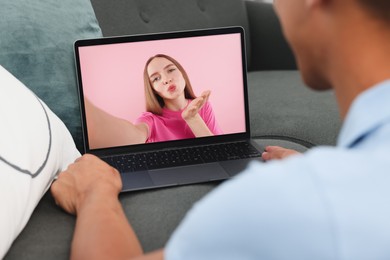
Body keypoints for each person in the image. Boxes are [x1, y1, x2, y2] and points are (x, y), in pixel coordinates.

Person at [51, 0, 390, 259]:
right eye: (155, 77)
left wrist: (95, 194)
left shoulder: (284, 201)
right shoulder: (147, 123)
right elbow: (130, 131)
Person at [86, 54, 222, 149]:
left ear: (182, 73)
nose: (166, 79)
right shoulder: (150, 120)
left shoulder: (202, 107)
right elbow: (135, 136)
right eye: (156, 78)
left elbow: (218, 150)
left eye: (171, 70)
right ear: (154, 89)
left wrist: (192, 118)